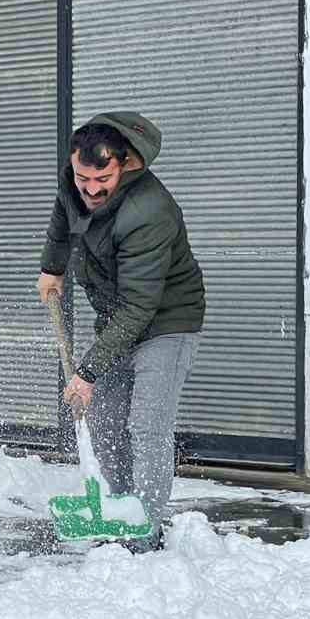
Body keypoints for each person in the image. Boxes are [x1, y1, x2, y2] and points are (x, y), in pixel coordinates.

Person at [37, 113, 206, 553]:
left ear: (126, 163)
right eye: (83, 178)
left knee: (146, 425)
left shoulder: (149, 212)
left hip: (166, 323)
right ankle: (119, 509)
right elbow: (63, 215)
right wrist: (51, 268)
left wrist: (87, 373)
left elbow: (140, 307)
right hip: (118, 319)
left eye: (103, 179)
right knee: (103, 419)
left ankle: (144, 529)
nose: (91, 190)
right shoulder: (76, 180)